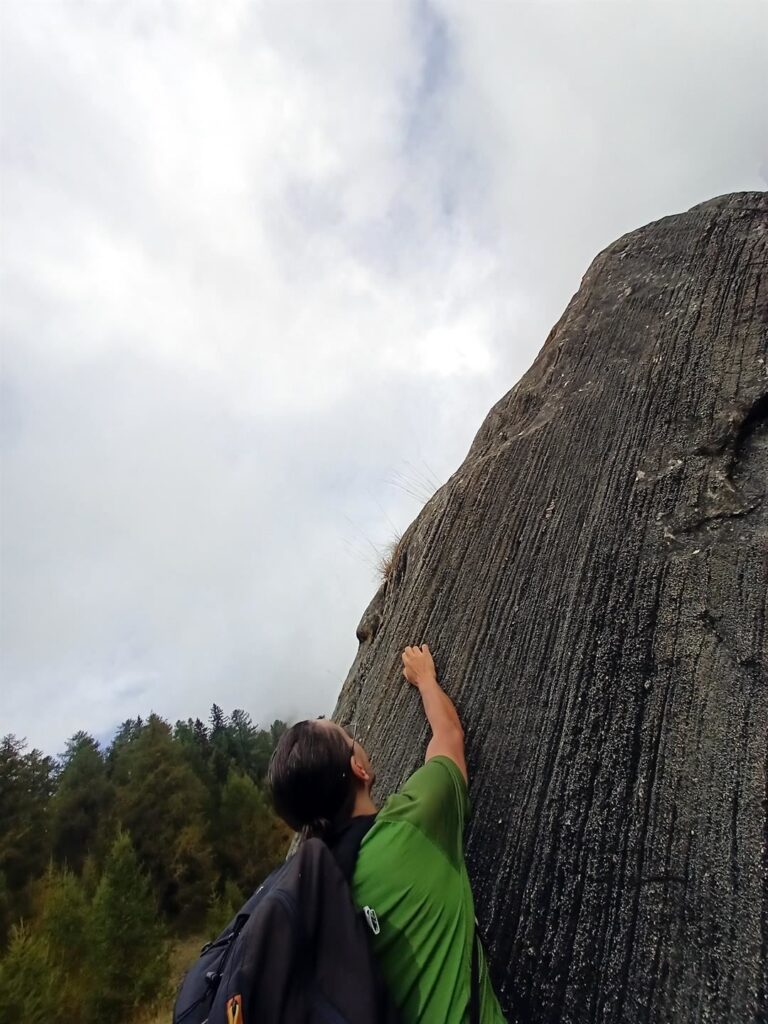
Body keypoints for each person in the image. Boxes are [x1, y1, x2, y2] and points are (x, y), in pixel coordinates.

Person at [268, 643, 507, 1023]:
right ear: (359, 769)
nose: (356, 739)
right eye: (349, 738)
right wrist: (426, 679)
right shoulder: (411, 825)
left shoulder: (303, 900)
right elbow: (449, 738)